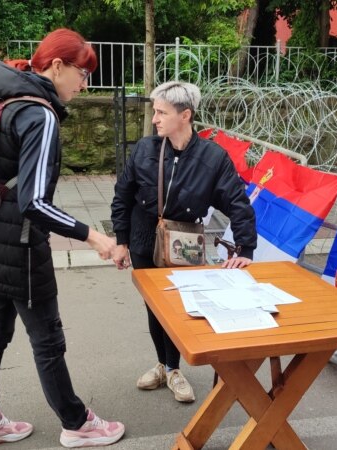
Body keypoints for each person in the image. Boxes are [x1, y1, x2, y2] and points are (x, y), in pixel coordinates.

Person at [0, 29, 125, 450]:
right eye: (82, 73)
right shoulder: (42, 114)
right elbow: (35, 203)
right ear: (57, 67)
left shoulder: (8, 96)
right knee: (47, 338)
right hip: (19, 243)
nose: (85, 84)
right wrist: (93, 237)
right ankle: (76, 423)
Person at [110, 81, 257, 403]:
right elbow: (122, 196)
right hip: (143, 236)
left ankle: (174, 369)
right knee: (155, 306)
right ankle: (165, 366)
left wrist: (246, 249)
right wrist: (121, 241)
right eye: (155, 111)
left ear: (185, 115)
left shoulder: (213, 157)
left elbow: (237, 202)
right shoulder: (146, 150)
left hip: (185, 239)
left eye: (161, 112)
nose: (154, 119)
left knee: (179, 306)